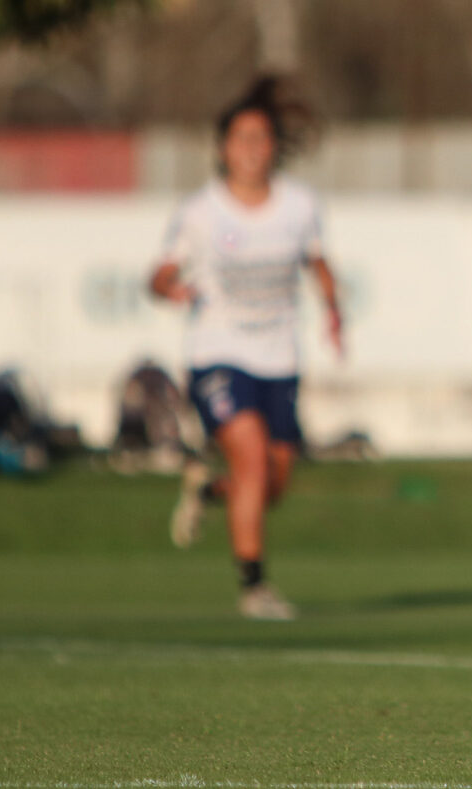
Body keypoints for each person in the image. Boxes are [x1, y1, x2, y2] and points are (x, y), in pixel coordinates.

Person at [152, 77, 342, 621]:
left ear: (276, 146)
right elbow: (159, 273)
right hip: (217, 353)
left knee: (272, 485)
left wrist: (333, 310)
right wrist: (169, 287)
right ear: (223, 148)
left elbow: (317, 260)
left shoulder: (300, 207)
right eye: (242, 138)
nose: (253, 149)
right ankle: (254, 588)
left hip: (279, 357)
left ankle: (210, 491)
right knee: (254, 457)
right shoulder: (201, 212)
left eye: (262, 138)